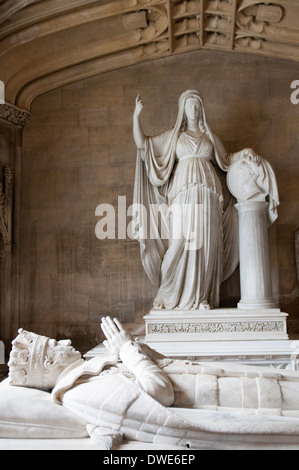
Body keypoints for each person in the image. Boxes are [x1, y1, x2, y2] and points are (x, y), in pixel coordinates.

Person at [5, 317, 299, 449]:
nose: (66, 340)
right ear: (47, 363)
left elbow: (159, 367)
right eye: (56, 344)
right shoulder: (81, 391)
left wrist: (128, 351)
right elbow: (160, 394)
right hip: (229, 397)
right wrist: (127, 349)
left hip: (221, 382)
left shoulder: (89, 371)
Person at [132, 90, 262, 310]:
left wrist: (246, 151)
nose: (193, 109)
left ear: (201, 109)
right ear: (182, 109)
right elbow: (143, 144)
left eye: (197, 105)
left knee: (205, 245)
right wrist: (136, 117)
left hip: (209, 192)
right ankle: (165, 293)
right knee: (178, 242)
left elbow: (227, 159)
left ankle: (201, 297)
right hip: (182, 190)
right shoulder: (174, 136)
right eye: (189, 105)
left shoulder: (210, 137)